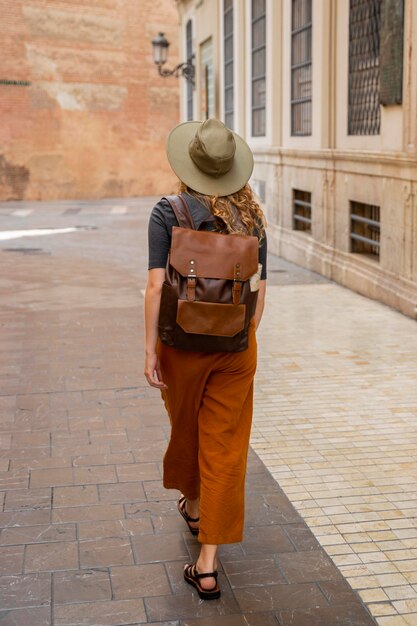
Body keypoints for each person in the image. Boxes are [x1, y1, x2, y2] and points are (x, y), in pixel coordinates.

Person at [144, 118, 267, 600]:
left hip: (180, 344)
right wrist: (240, 337)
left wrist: (150, 348)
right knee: (226, 446)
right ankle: (208, 562)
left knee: (185, 426)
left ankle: (193, 504)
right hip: (236, 347)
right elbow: (261, 292)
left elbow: (156, 286)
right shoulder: (252, 217)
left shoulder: (167, 211)